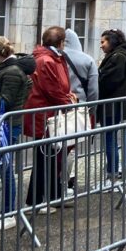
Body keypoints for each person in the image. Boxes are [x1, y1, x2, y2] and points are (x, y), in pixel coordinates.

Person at [0, 37, 34, 230]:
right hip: (1, 123)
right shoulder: (7, 68)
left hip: (6, 125)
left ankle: (8, 212)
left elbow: (6, 101)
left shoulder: (11, 71)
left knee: (3, 168)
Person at [24, 27, 75, 210]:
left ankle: (52, 196)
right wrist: (67, 101)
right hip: (44, 115)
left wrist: (67, 96)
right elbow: (52, 89)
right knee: (45, 156)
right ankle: (36, 200)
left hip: (49, 113)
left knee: (53, 156)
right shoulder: (46, 60)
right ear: (60, 42)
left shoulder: (52, 58)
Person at [97, 29, 126, 187]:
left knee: (110, 139)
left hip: (112, 104)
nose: (101, 45)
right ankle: (111, 173)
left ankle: (112, 175)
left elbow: (110, 80)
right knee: (110, 138)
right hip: (113, 104)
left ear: (111, 42)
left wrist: (98, 74)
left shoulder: (118, 57)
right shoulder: (116, 56)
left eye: (103, 42)